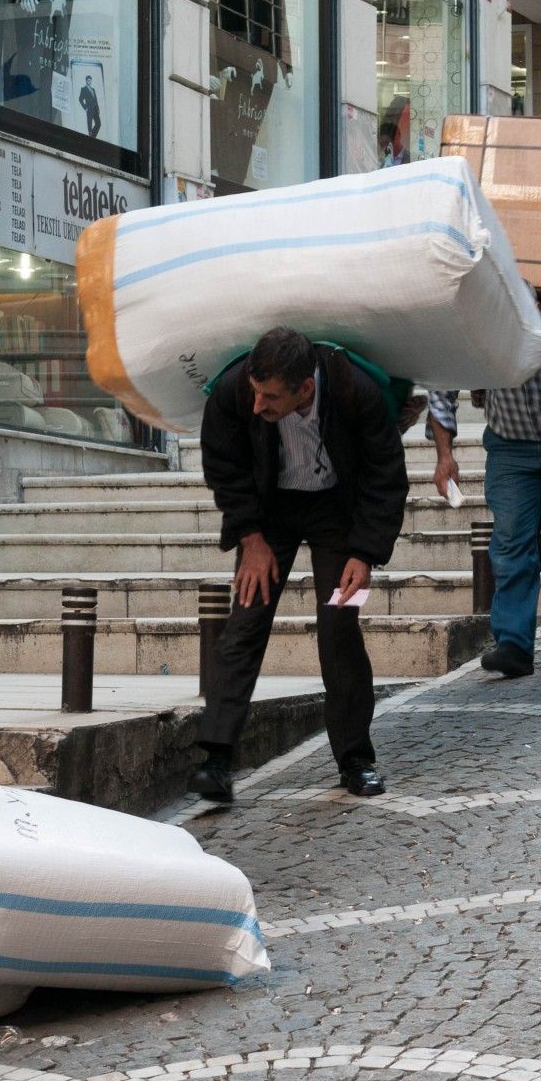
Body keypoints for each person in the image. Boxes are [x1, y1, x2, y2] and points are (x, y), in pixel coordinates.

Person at [191, 327, 409, 804]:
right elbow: (221, 463)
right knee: (245, 619)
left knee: (341, 625)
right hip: (268, 516)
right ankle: (215, 761)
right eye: (255, 392)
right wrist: (250, 537)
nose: (257, 405)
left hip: (340, 515)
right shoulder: (234, 391)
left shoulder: (357, 391)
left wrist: (365, 554)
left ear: (305, 388)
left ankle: (356, 759)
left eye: (270, 397)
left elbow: (387, 476)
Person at [427, 304, 541, 678]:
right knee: (511, 540)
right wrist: (444, 454)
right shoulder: (476, 330)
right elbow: (440, 387)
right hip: (509, 442)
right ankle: (513, 644)